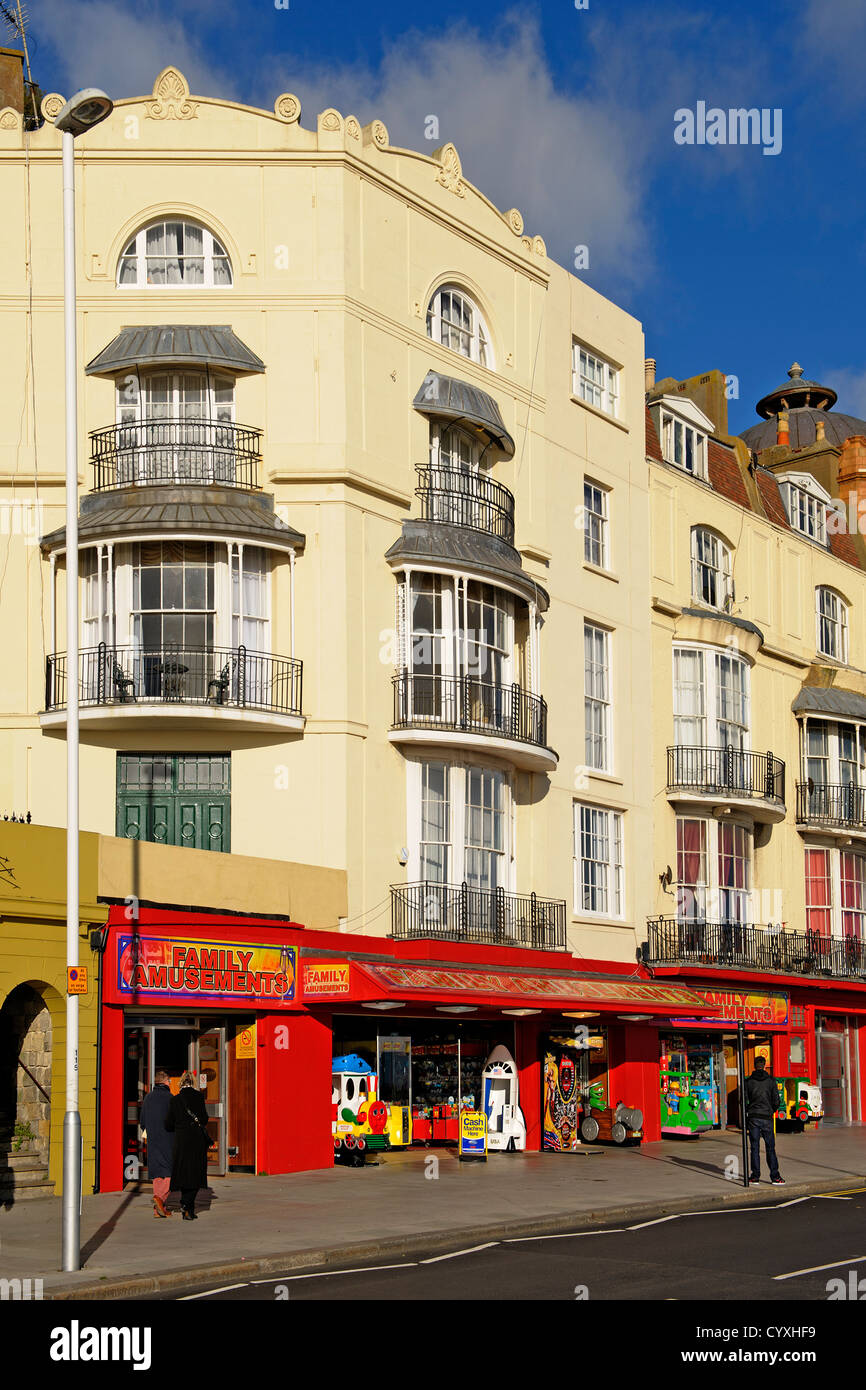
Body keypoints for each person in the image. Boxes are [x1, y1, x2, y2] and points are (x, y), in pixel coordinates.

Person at [165, 1070, 212, 1220]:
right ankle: (188, 1206)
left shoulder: (175, 1100)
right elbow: (204, 1119)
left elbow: (168, 1124)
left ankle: (186, 1205)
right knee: (195, 1173)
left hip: (181, 1141)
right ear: (193, 1082)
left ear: (181, 1083)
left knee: (183, 1173)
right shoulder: (199, 1097)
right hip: (196, 1141)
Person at [138, 1069, 174, 1218]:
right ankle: (159, 1199)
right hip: (168, 1139)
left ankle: (158, 1210)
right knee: (170, 1173)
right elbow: (174, 1120)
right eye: (170, 1081)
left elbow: (142, 1122)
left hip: (153, 1140)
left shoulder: (148, 1098)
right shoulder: (170, 1098)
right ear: (165, 1082)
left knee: (158, 1173)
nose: (170, 1084)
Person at [745, 1056, 785, 1185]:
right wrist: (770, 1110)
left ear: (754, 1065)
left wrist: (750, 1111)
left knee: (754, 1148)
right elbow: (776, 1101)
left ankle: (755, 1176)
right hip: (767, 1117)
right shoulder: (771, 1081)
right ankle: (775, 1176)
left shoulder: (749, 1081)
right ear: (765, 1065)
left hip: (754, 1117)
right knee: (770, 1148)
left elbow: (744, 1100)